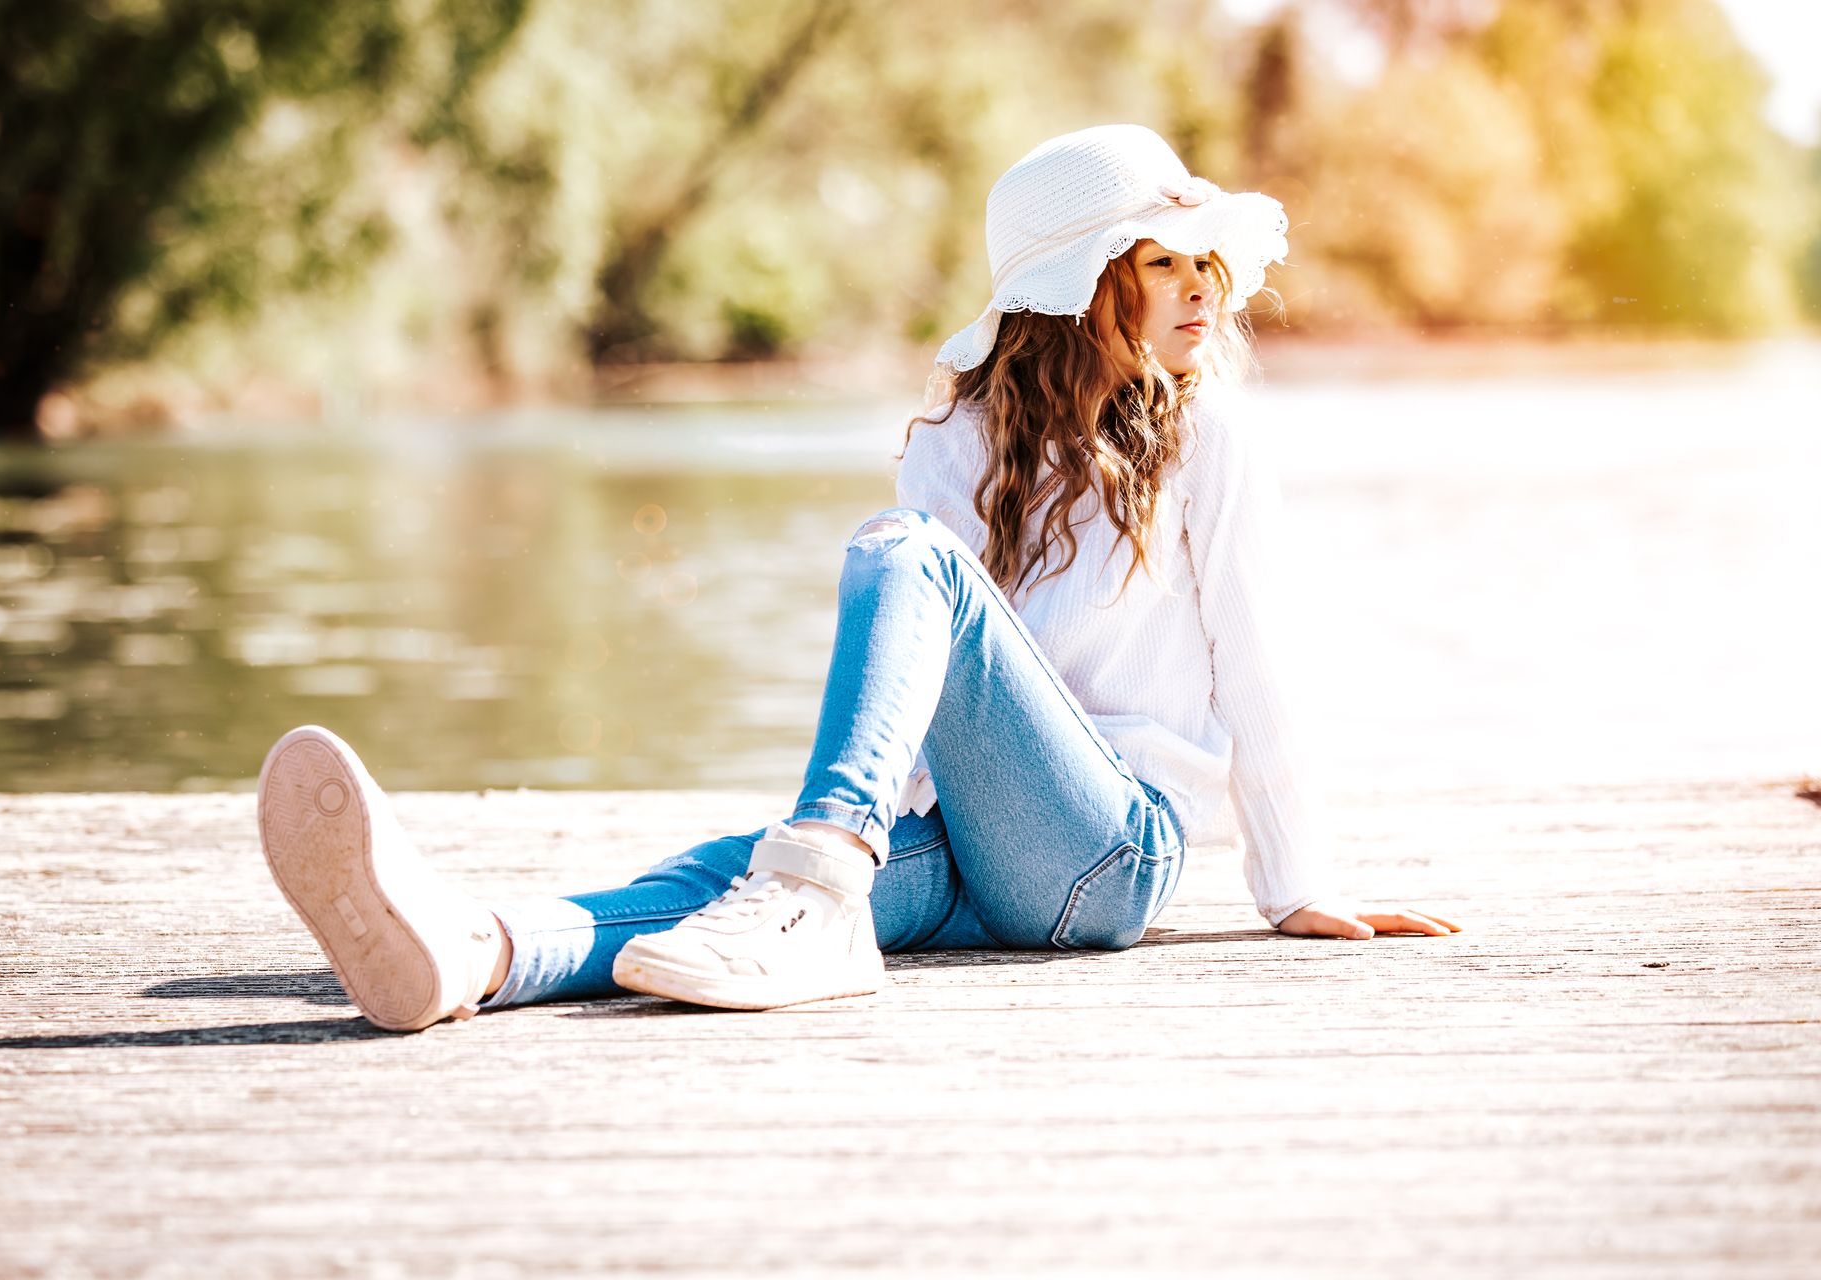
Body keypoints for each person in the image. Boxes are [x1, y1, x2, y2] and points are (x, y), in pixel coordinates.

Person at [254, 123, 1461, 1034]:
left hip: (1116, 853)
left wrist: (1295, 882)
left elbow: (1259, 657)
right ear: (1079, 288)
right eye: (1161, 261)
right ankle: (475, 951)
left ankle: (821, 871)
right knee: (728, 880)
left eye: (1205, 260)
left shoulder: (1209, 433)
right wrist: (879, 834)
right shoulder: (959, 438)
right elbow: (920, 680)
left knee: (898, 567)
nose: (1203, 284)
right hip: (974, 842)